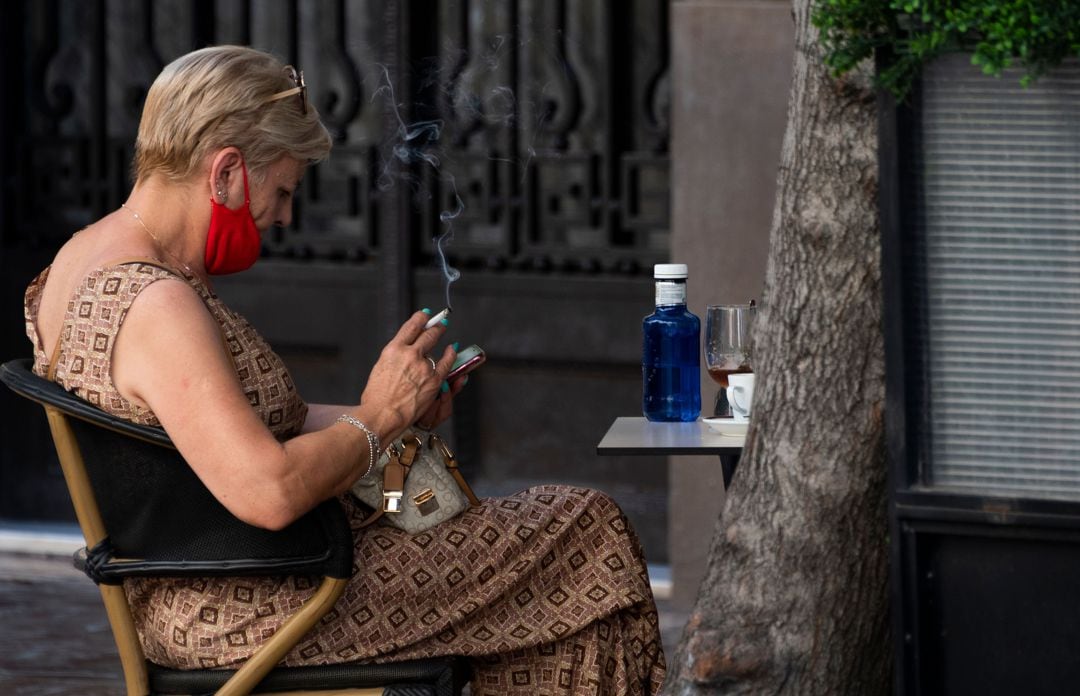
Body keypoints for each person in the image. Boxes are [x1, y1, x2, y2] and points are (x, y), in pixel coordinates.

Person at [23, 45, 666, 695]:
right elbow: (268, 493)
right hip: (258, 604)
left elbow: (201, 435)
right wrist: (381, 415)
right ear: (224, 173)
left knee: (555, 568)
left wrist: (398, 408)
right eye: (281, 190)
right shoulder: (157, 304)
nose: (283, 216)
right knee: (584, 534)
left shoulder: (81, 258)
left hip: (228, 580)